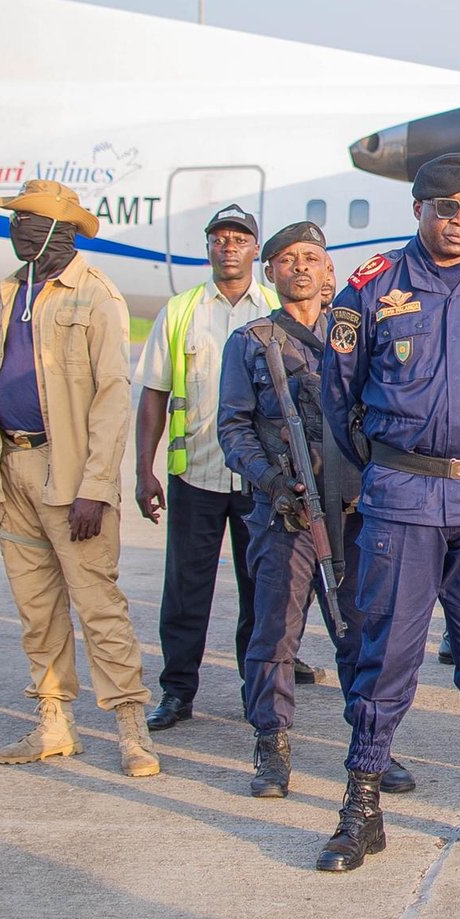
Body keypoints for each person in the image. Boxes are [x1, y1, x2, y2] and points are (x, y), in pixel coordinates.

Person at [317, 152, 460, 872]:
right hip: (404, 499)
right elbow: (340, 400)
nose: (459, 222)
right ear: (417, 209)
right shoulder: (370, 292)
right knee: (386, 654)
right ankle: (362, 805)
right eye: (445, 208)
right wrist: (391, 469)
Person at [0, 181, 158, 778]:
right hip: (7, 471)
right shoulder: (8, 294)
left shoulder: (95, 298)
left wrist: (96, 487)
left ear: (61, 232)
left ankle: (130, 730)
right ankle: (53, 724)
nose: (16, 229)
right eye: (15, 219)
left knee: (98, 606)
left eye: (27, 220)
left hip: (68, 480)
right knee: (35, 608)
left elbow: (113, 400)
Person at [254, 224, 420, 796]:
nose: (300, 268)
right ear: (270, 272)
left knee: (363, 633)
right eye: (286, 260)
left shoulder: (358, 332)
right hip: (290, 514)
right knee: (276, 634)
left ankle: (371, 749)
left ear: (329, 273)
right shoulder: (253, 341)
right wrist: (275, 481)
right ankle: (271, 749)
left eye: (312, 259)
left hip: (355, 511)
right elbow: (233, 427)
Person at [133, 204, 278, 731]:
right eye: (220, 238)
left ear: (255, 249)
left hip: (260, 480)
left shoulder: (275, 309)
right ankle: (177, 692)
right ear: (209, 247)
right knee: (185, 590)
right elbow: (153, 393)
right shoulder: (181, 310)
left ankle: (256, 692)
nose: (229, 246)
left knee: (260, 591)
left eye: (239, 239)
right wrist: (143, 471)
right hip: (196, 474)